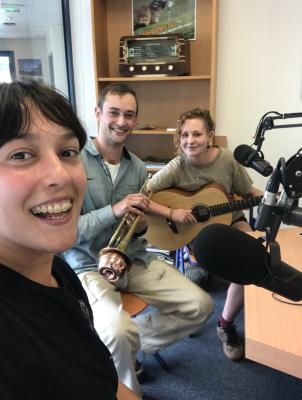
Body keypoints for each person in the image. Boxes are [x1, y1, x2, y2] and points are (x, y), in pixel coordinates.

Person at [61, 83, 213, 396]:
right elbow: (68, 232)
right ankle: (127, 380)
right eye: (114, 112)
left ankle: (123, 347)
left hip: (134, 259)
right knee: (117, 329)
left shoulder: (137, 167)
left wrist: (142, 226)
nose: (121, 121)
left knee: (201, 306)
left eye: (129, 115)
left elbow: (139, 227)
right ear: (98, 114)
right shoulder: (73, 162)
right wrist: (113, 211)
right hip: (89, 265)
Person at [0, 80, 140, 400]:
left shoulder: (59, 274)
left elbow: (100, 377)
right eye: (21, 155)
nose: (61, 176)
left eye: (67, 152)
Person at [148, 108, 262, 361]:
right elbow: (145, 194)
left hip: (230, 220)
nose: (190, 140)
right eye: (185, 134)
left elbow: (247, 191)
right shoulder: (177, 166)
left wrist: (269, 198)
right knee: (219, 254)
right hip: (195, 231)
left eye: (197, 134)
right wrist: (171, 212)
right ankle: (200, 270)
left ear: (210, 136)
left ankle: (225, 324)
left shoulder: (228, 160)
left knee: (255, 256)